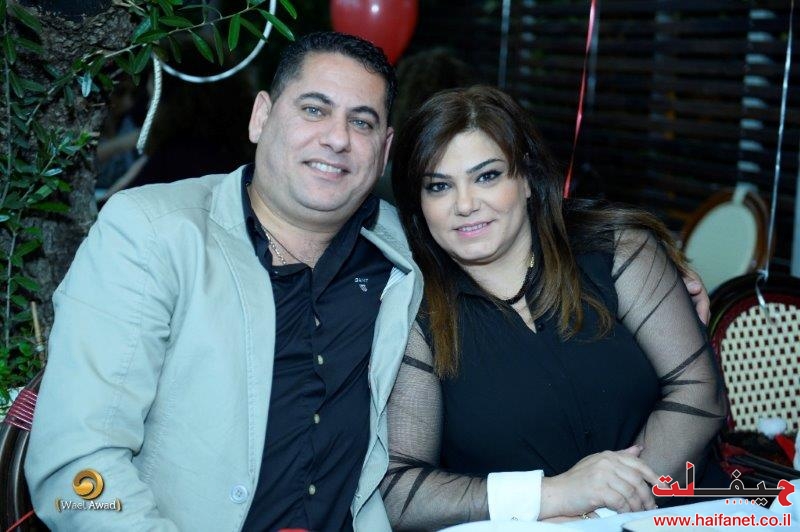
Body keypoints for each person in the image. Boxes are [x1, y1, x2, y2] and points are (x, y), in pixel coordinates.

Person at [25, 32, 423, 532]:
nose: (337, 138)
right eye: (314, 110)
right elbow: (75, 469)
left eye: (361, 122)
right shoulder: (153, 234)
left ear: (384, 150)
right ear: (261, 117)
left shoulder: (404, 253)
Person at [381, 86, 726, 529]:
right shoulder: (417, 313)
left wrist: (600, 513)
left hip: (676, 515)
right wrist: (550, 496)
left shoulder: (619, 253)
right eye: (439, 186)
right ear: (419, 203)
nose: (465, 205)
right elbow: (400, 491)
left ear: (526, 178)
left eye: (487, 176)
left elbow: (698, 391)